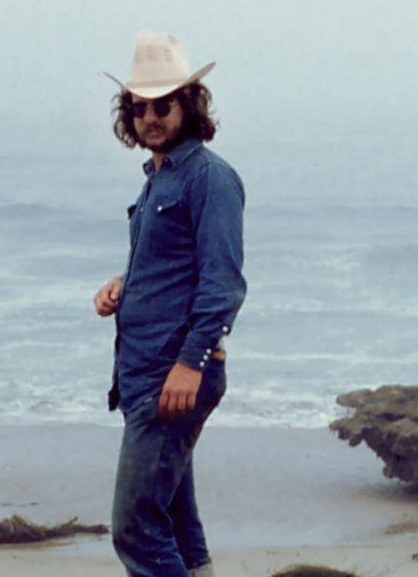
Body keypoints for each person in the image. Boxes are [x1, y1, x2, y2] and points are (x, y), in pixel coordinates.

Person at [93, 33, 247, 577]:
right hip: (143, 374)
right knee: (176, 518)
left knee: (135, 528)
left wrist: (191, 363)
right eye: (140, 107)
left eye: (163, 105)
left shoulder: (210, 178)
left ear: (189, 104)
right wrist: (123, 284)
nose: (150, 117)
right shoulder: (160, 177)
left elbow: (223, 283)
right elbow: (177, 263)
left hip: (171, 375)